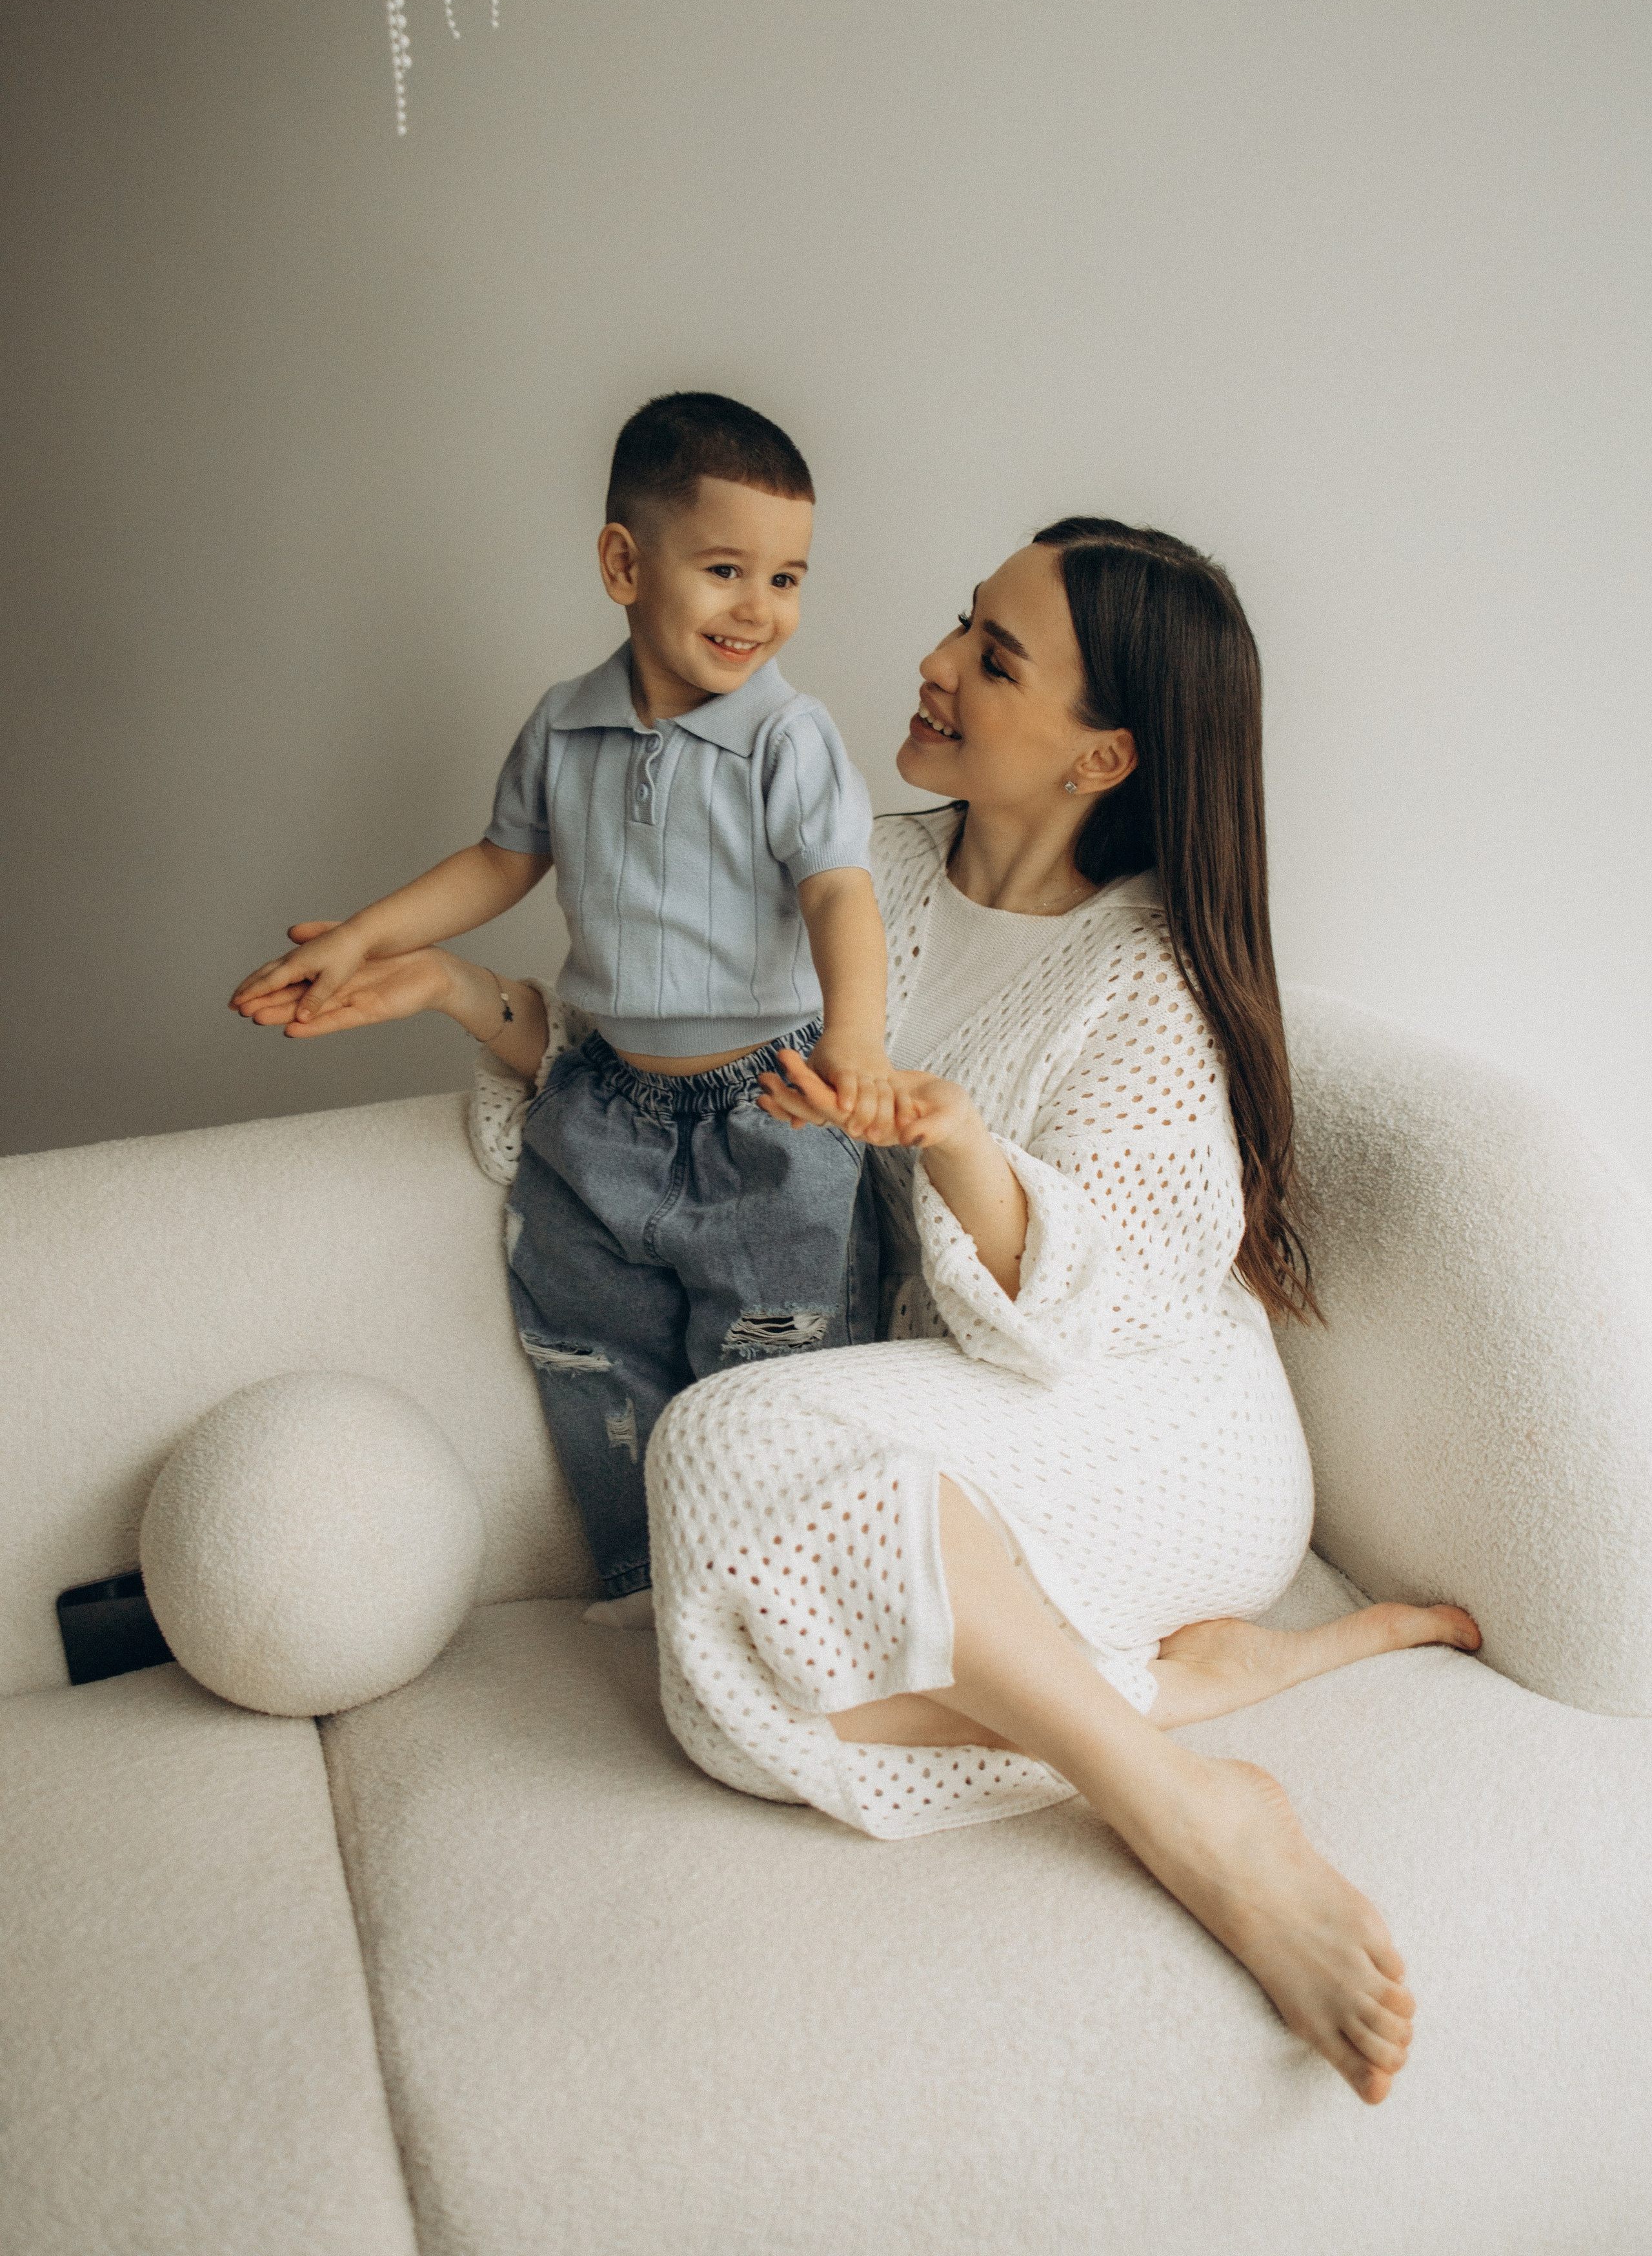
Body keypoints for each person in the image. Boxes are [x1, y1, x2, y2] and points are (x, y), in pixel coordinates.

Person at [636, 517, 1481, 2105]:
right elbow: (667, 1044)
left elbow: (1094, 1312)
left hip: (1156, 1435)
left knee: (716, 1446)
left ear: (1103, 757)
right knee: (713, 1687)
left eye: (993, 657)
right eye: (963, 623)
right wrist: (466, 1006)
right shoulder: (868, 871)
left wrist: (956, 1138)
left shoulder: (1143, 979)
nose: (934, 664)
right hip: (960, 1440)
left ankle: (1187, 1816)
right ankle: (1171, 1692)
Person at [230, 392, 894, 1609]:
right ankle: (652, 1589)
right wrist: (369, 935)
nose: (761, 609)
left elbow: (841, 894)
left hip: (770, 1114)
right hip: (602, 1107)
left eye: (788, 578)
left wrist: (854, 1039)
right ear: (623, 563)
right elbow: (500, 860)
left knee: (771, 1365)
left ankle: (794, 1600)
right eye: (726, 569)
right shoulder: (564, 725)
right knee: (591, 1344)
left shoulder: (788, 741)